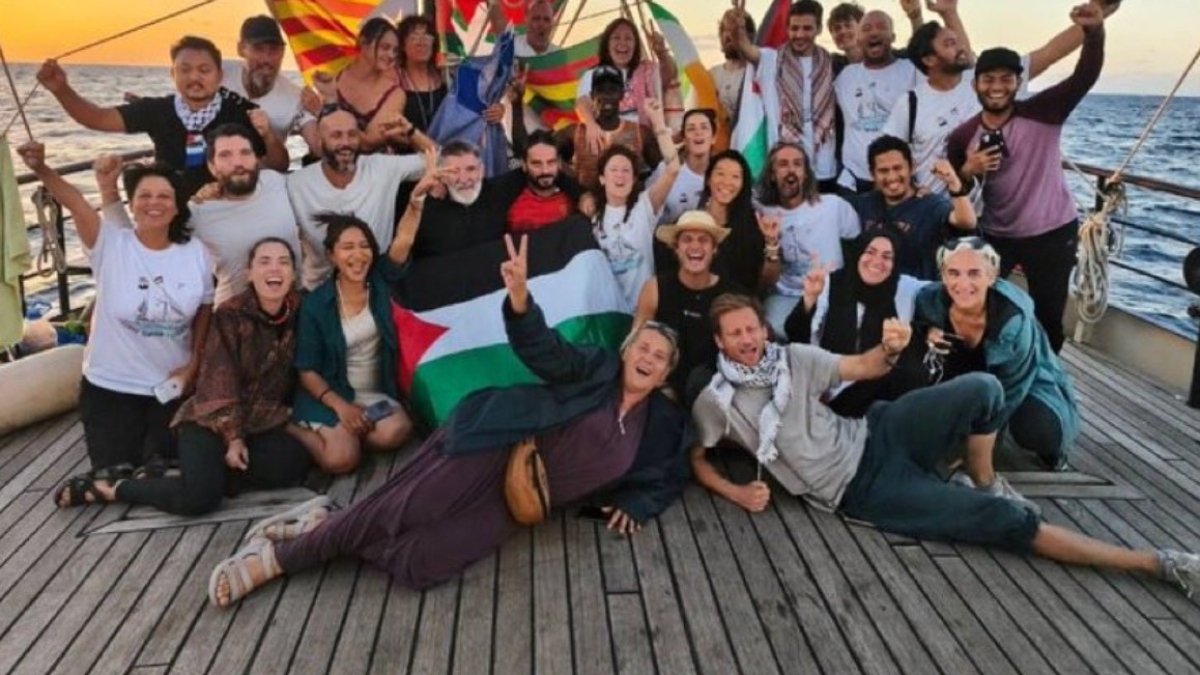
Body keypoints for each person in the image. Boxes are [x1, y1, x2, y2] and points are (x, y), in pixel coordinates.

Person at [208, 233, 693, 606]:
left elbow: (672, 471)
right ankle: (276, 560)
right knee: (401, 511)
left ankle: (327, 523)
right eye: (643, 347)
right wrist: (520, 299)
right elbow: (546, 351)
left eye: (659, 356)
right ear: (627, 350)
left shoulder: (658, 422)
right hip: (497, 444)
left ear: (666, 373)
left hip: (523, 498)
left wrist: (637, 502)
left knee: (418, 565)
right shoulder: (597, 368)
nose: (647, 357)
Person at [689, 292, 1200, 599]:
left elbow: (863, 367)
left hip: (878, 429)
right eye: (735, 334)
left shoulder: (793, 358)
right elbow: (698, 457)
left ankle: (981, 477)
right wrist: (736, 492)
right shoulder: (717, 401)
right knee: (1009, 522)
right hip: (862, 489)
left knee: (984, 388)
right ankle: (1158, 563)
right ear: (719, 341)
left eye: (752, 328)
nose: (747, 339)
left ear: (763, 328)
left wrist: (890, 349)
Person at [17, 143, 213, 497]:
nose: (154, 203)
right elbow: (76, 202)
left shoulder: (195, 253)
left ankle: (112, 486)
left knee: (170, 467)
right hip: (111, 387)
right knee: (116, 468)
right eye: (144, 196)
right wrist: (42, 168)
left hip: (168, 387)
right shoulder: (110, 244)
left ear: (177, 205)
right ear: (131, 204)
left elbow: (204, 309)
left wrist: (194, 364)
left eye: (164, 196)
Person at [62, 238, 311, 514]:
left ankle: (194, 474)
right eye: (264, 262)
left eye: (283, 262)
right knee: (200, 499)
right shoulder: (231, 315)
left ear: (293, 274)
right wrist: (234, 438)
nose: (274, 269)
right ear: (249, 274)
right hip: (211, 421)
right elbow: (220, 383)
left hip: (259, 422)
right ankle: (114, 488)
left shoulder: (301, 310)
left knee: (292, 464)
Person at [947, 3, 1107, 353]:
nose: (997, 87)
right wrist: (968, 170)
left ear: (1018, 83)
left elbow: (1085, 76)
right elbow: (957, 190)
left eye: (1006, 79)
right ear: (975, 85)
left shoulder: (1045, 111)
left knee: (1048, 319)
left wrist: (1094, 32)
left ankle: (1045, 378)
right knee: (978, 308)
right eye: (989, 79)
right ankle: (987, 372)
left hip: (1052, 232)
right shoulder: (962, 137)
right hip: (997, 234)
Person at [885, 0, 1121, 195]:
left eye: (957, 42)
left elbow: (1051, 52)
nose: (961, 48)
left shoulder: (987, 81)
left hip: (982, 214)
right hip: (931, 210)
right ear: (929, 60)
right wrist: (909, 192)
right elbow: (887, 156)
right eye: (950, 44)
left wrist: (1097, 16)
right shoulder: (911, 103)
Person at [36, 36, 288, 197]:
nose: (194, 77)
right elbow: (98, 118)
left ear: (219, 75)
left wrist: (267, 135)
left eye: (204, 70)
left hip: (224, 210)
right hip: (170, 215)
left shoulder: (241, 111)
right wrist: (61, 90)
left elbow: (279, 165)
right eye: (185, 70)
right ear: (172, 74)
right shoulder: (157, 109)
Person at [913, 237, 1078, 470]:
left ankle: (1056, 450)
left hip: (1025, 381)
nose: (963, 283)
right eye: (953, 273)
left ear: (992, 277)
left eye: (974, 273)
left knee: (1039, 428)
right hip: (968, 378)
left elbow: (1012, 390)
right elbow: (918, 326)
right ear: (943, 276)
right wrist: (928, 329)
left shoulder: (1012, 321)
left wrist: (978, 447)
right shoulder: (928, 300)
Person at [291, 214, 414, 475]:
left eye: (364, 246)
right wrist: (342, 407)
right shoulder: (316, 304)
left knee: (396, 431)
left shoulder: (380, 280)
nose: (357, 255)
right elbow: (307, 370)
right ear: (331, 256)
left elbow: (404, 240)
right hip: (332, 395)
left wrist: (416, 203)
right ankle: (291, 426)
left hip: (373, 395)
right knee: (341, 460)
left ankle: (350, 434)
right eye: (347, 247)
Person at [784, 230, 928, 417]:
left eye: (887, 257)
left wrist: (933, 325)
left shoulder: (904, 288)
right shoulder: (831, 283)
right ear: (858, 253)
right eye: (870, 252)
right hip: (831, 385)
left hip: (877, 387)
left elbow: (941, 293)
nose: (877, 261)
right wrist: (810, 298)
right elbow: (796, 336)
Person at [286, 107, 429, 289]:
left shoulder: (382, 167)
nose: (346, 142)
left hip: (377, 283)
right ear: (320, 139)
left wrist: (411, 132)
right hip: (320, 289)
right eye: (336, 135)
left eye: (352, 134)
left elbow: (441, 161)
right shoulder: (296, 183)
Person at [166, 124, 301, 307]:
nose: (238, 163)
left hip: (295, 308)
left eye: (245, 153)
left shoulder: (276, 182)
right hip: (234, 316)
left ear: (256, 159)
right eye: (225, 155)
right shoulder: (198, 211)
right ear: (212, 166)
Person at [393, 140, 579, 263]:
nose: (464, 179)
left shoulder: (498, 191)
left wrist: (582, 195)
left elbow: (543, 172)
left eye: (471, 169)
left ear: (482, 170)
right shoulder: (421, 209)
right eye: (454, 171)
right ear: (441, 175)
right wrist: (419, 199)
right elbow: (398, 258)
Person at [725, 1, 839, 192]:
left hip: (823, 167)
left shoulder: (831, 63)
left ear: (819, 28)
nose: (799, 34)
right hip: (785, 168)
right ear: (787, 28)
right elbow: (745, 48)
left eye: (807, 28)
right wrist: (738, 30)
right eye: (794, 28)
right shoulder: (772, 59)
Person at [635, 210, 741, 404]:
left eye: (703, 240)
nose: (695, 246)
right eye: (687, 239)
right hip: (663, 386)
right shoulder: (655, 288)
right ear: (676, 248)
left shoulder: (730, 295)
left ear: (714, 249)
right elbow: (636, 342)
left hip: (713, 391)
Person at [757, 142, 860, 335]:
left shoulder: (834, 206)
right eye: (783, 164)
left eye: (797, 164)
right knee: (773, 331)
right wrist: (771, 242)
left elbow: (857, 244)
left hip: (830, 294)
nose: (791, 170)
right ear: (772, 174)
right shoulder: (762, 212)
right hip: (786, 295)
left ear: (806, 173)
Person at [589, 100, 681, 312]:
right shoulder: (592, 217)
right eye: (614, 170)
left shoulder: (645, 206)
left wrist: (658, 123)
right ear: (602, 178)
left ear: (633, 178)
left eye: (626, 171)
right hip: (608, 316)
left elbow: (673, 169)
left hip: (644, 312)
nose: (620, 176)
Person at [852, 135, 975, 280]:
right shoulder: (864, 203)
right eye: (883, 171)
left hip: (917, 290)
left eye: (898, 168)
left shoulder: (931, 205)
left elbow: (966, 222)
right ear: (872, 174)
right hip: (876, 288)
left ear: (912, 167)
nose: (892, 177)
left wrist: (954, 184)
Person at [833, 10, 918, 194]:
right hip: (854, 182)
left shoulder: (911, 71)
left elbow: (927, 50)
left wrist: (916, 16)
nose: (873, 33)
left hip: (897, 179)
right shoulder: (846, 76)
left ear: (893, 37)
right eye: (867, 28)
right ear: (858, 39)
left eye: (881, 27)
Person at [574, 18, 680, 153]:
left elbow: (670, 74)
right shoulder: (594, 74)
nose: (622, 43)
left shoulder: (646, 70)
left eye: (628, 38)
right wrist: (591, 124)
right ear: (607, 43)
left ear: (636, 45)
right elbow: (582, 101)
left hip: (644, 147)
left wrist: (662, 52)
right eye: (616, 37)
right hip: (607, 148)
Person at [224, 15, 320, 158]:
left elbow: (320, 148)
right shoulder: (217, 73)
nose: (266, 59)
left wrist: (321, 112)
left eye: (273, 50)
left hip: (265, 170)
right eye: (258, 49)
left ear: (283, 53)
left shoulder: (295, 98)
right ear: (241, 49)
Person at [313, 18, 410, 154]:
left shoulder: (395, 94)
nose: (391, 55)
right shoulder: (334, 77)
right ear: (363, 43)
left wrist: (328, 108)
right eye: (385, 47)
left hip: (371, 164)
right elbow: (319, 138)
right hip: (333, 161)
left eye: (395, 51)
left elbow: (368, 144)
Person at [559, 65, 664, 189]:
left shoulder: (641, 133)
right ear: (592, 95)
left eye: (612, 90)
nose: (606, 96)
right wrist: (576, 190)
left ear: (622, 94)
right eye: (601, 90)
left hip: (628, 200)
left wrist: (640, 190)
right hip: (586, 200)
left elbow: (662, 170)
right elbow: (548, 156)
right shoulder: (574, 133)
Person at [506, 130, 580, 234]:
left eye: (551, 163)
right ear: (524, 165)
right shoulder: (510, 203)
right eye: (537, 164)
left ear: (559, 163)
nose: (545, 170)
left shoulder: (575, 199)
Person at [708, 10, 755, 139]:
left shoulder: (756, 73)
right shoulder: (711, 75)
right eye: (725, 30)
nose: (729, 35)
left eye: (734, 30)